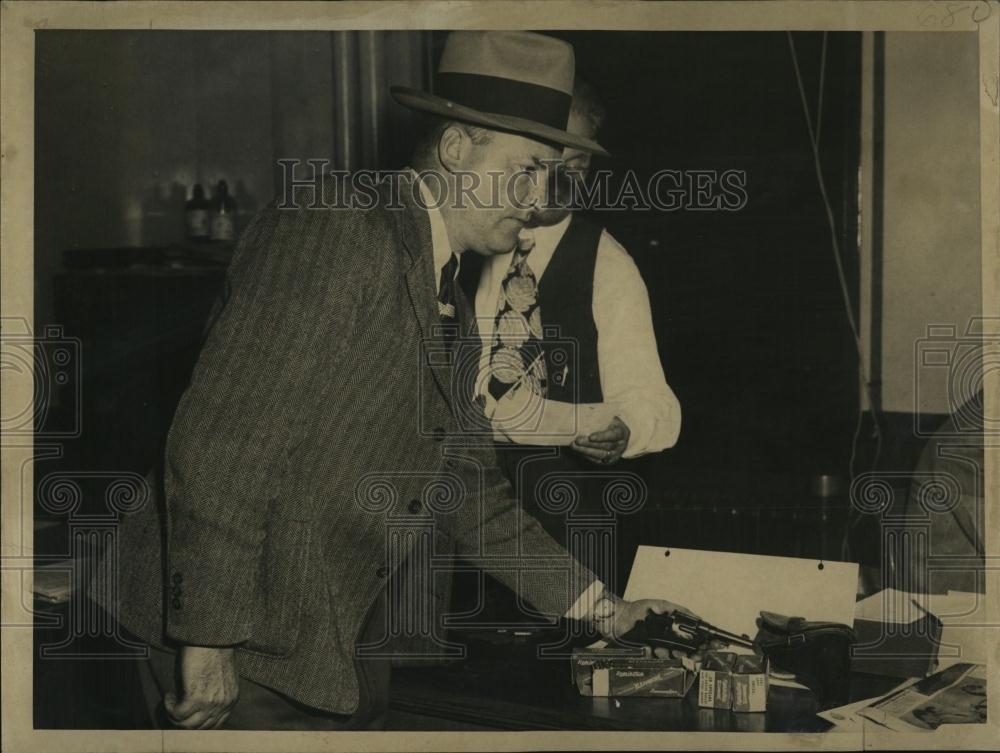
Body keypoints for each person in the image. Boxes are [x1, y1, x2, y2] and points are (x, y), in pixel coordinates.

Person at [89, 31, 694, 731]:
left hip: (315, 637)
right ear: (457, 148)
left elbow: (466, 489)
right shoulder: (336, 228)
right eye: (527, 170)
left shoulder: (451, 296)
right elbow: (222, 444)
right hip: (227, 634)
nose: (537, 201)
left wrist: (605, 609)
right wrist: (209, 640)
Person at [467, 76, 681, 583]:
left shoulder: (608, 264)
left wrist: (625, 430)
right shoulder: (469, 245)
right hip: (467, 528)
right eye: (542, 161)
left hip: (570, 539)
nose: (553, 181)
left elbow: (654, 401)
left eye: (575, 166)